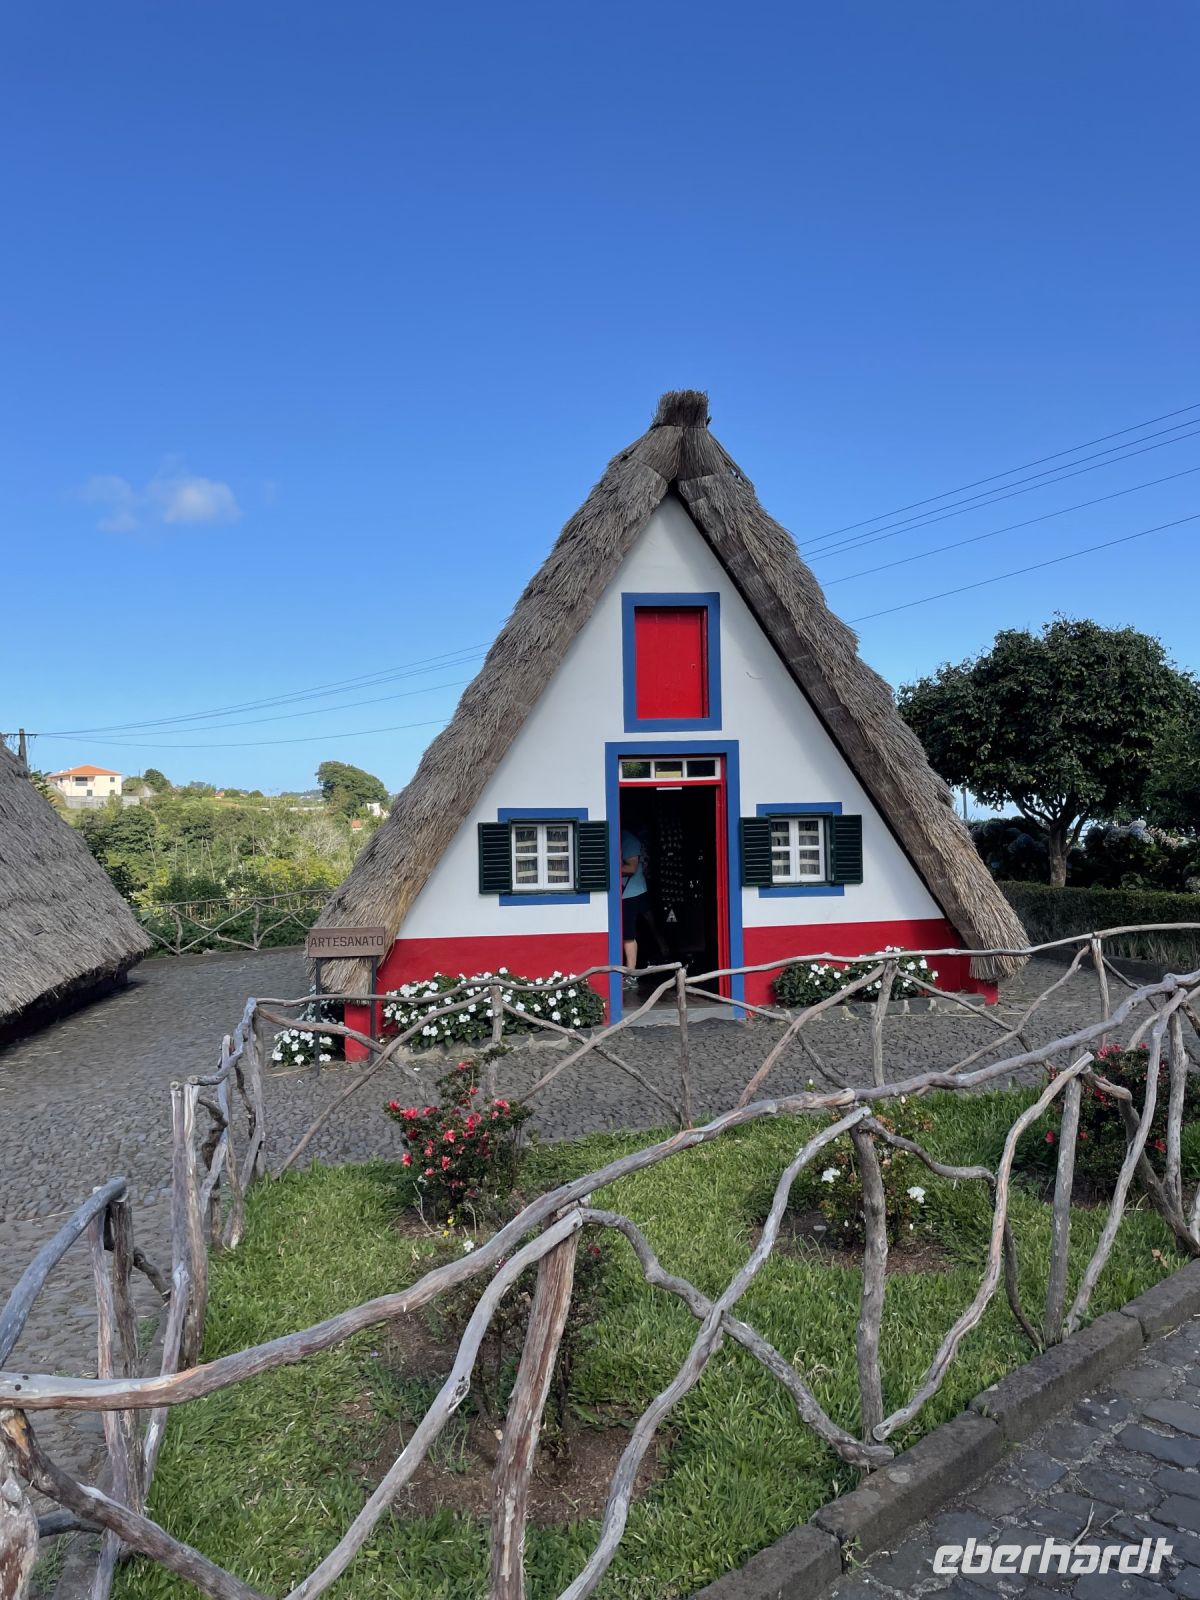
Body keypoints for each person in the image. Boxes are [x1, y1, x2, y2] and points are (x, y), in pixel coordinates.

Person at [620, 826, 649, 989]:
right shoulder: (623, 838)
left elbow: (631, 867)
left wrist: (609, 869)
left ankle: (631, 975)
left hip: (631, 893)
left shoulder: (629, 840)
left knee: (628, 934)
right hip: (624, 893)